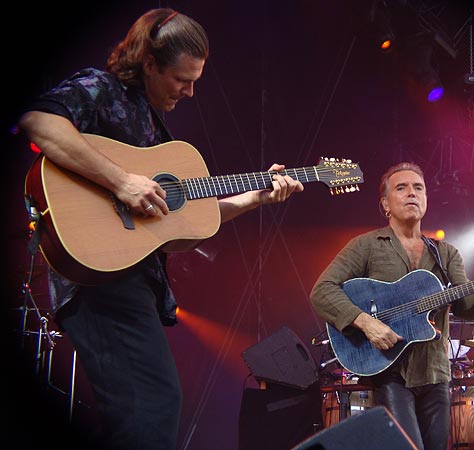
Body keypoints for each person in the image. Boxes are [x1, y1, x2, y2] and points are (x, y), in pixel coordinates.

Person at [17, 8, 304, 450]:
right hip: (96, 278)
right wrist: (120, 180)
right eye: (181, 79)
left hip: (127, 281)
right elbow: (39, 121)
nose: (190, 92)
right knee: (152, 405)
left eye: (195, 81)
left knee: (148, 408)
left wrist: (256, 197)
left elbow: (190, 218)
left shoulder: (151, 125)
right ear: (149, 63)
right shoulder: (101, 88)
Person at [309, 162, 474, 450]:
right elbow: (322, 291)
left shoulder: (445, 253)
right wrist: (366, 322)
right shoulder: (365, 246)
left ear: (426, 199)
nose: (412, 193)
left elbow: (465, 304)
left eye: (418, 188)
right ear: (385, 204)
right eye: (401, 188)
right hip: (391, 374)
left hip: (435, 373)